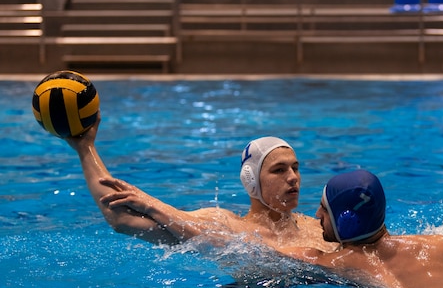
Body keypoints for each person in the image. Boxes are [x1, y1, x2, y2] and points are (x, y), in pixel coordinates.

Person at [64, 113, 336, 252]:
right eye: (279, 170)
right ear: (251, 181)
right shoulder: (223, 224)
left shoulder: (317, 228)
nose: (292, 177)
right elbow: (122, 220)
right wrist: (85, 148)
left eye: (296, 168)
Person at [281, 169, 443, 288]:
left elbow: (265, 253)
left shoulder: (330, 263)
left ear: (347, 222)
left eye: (324, 209)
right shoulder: (442, 246)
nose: (317, 215)